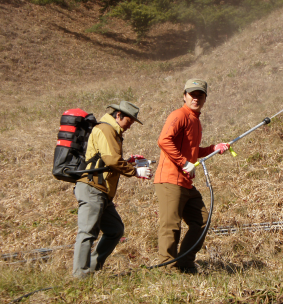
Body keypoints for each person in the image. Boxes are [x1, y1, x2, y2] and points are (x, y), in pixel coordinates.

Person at [154, 79, 230, 273]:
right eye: (192, 94)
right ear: (184, 96)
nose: (196, 98)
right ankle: (168, 269)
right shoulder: (179, 115)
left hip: (186, 182)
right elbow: (163, 140)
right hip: (170, 179)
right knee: (171, 225)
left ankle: (185, 263)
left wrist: (214, 148)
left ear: (205, 98)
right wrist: (183, 162)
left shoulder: (195, 120)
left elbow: (193, 151)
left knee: (202, 220)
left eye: (200, 95)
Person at [73, 100, 152, 279]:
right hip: (92, 188)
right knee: (87, 232)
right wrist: (135, 171)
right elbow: (111, 161)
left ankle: (92, 268)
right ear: (119, 115)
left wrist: (129, 161)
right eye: (129, 121)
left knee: (115, 229)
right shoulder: (106, 129)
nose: (130, 126)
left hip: (102, 192)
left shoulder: (112, 131)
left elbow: (107, 159)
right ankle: (80, 277)